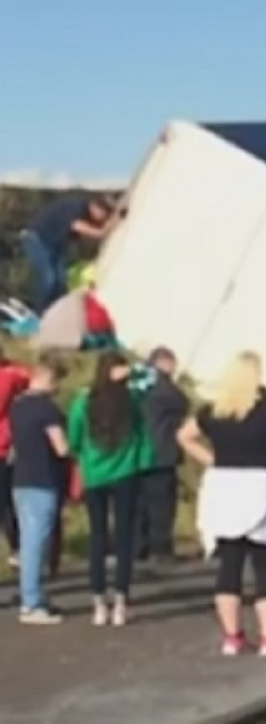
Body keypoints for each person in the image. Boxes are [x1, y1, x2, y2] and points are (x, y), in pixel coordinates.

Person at [178, 351, 266, 657]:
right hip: (261, 486)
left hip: (224, 486)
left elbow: (184, 436)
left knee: (230, 565)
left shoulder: (213, 411)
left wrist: (212, 459)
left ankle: (233, 636)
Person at [67, 351, 155, 627]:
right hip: (126, 472)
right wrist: (144, 463)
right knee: (124, 537)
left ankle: (97, 601)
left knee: (98, 535)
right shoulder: (132, 402)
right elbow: (144, 438)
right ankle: (121, 601)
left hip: (94, 474)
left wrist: (81, 458)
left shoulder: (83, 402)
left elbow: (74, 438)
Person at [9, 351, 70, 624]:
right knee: (35, 543)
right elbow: (61, 447)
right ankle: (31, 603)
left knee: (27, 541)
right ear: (51, 378)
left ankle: (32, 595)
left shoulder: (17, 405)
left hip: (20, 478)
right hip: (43, 479)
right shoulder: (48, 409)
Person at [137, 346, 190, 563]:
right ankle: (160, 549)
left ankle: (137, 547)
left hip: (138, 453)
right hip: (162, 451)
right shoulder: (164, 389)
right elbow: (183, 403)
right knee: (162, 505)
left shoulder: (138, 386)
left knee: (139, 504)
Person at [21, 194, 114, 314]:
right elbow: (77, 226)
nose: (104, 217)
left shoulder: (88, 215)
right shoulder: (77, 207)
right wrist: (100, 232)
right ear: (94, 206)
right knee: (49, 278)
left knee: (60, 280)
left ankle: (53, 312)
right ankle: (39, 313)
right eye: (104, 212)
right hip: (37, 238)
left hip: (55, 243)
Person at [0, 346, 31, 565]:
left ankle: (17, 546)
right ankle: (17, 546)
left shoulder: (8, 376)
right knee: (10, 501)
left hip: (5, 445)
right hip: (9, 443)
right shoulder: (14, 373)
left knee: (6, 501)